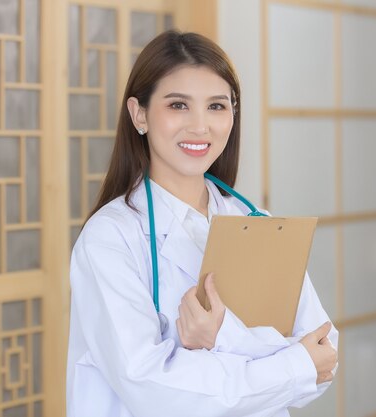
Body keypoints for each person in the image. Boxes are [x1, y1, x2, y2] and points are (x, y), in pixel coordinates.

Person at [66, 30, 338, 417]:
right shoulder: (110, 240)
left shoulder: (254, 221)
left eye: (216, 106)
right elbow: (154, 391)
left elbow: (325, 355)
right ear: (139, 114)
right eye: (178, 105)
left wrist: (216, 339)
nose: (200, 126)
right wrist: (290, 365)